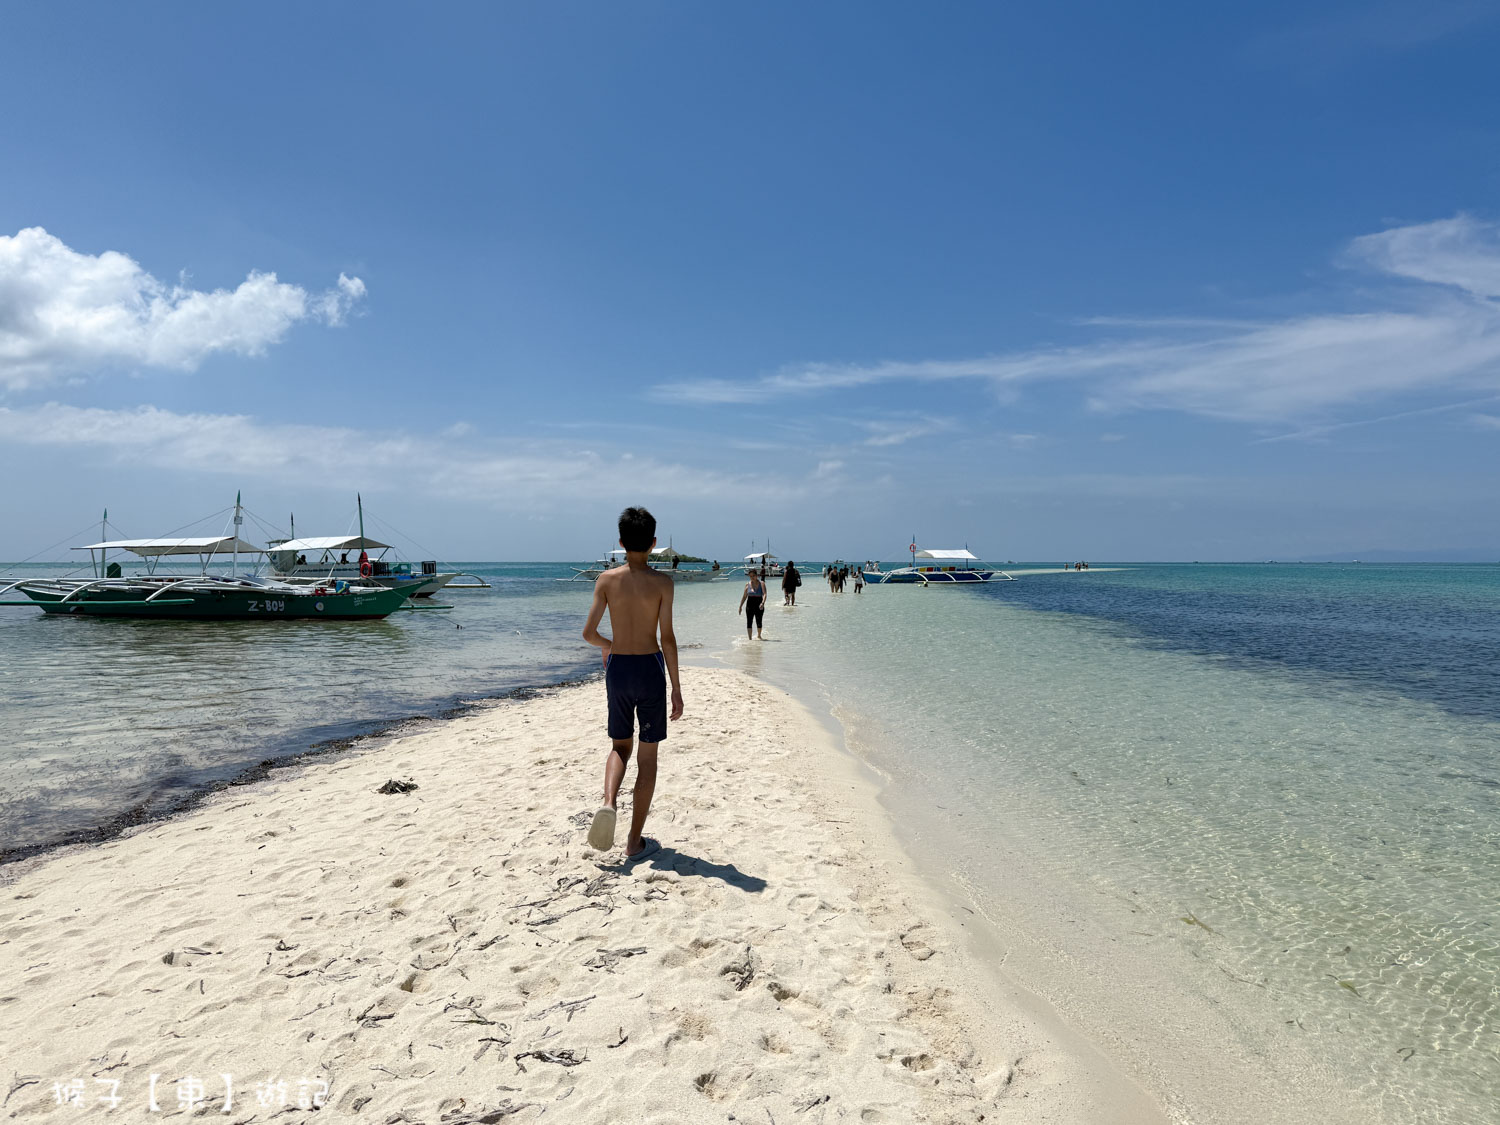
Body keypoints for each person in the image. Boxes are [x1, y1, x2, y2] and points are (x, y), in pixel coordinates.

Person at [581, 506, 684, 859]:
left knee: (619, 747)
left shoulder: (607, 580)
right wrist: (676, 689)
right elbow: (667, 638)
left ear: (621, 542)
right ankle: (633, 842)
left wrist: (610, 646)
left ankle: (609, 802)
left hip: (620, 670)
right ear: (654, 544)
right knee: (648, 757)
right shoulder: (663, 583)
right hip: (650, 670)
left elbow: (589, 633)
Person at [738, 567, 766, 640]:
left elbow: (765, 594)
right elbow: (744, 597)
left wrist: (762, 603)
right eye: (750, 576)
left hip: (759, 604)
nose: (752, 577)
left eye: (753, 576)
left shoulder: (762, 583)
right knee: (749, 621)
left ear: (757, 575)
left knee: (759, 621)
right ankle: (750, 639)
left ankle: (759, 636)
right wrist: (740, 606)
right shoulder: (747, 585)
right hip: (749, 605)